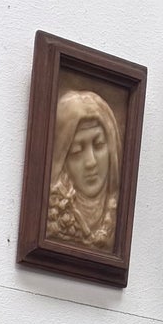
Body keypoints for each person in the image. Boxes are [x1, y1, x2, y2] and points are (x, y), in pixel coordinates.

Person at [47, 87, 123, 251]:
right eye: (76, 151)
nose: (91, 162)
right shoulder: (54, 219)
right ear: (62, 161)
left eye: (99, 145)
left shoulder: (118, 216)